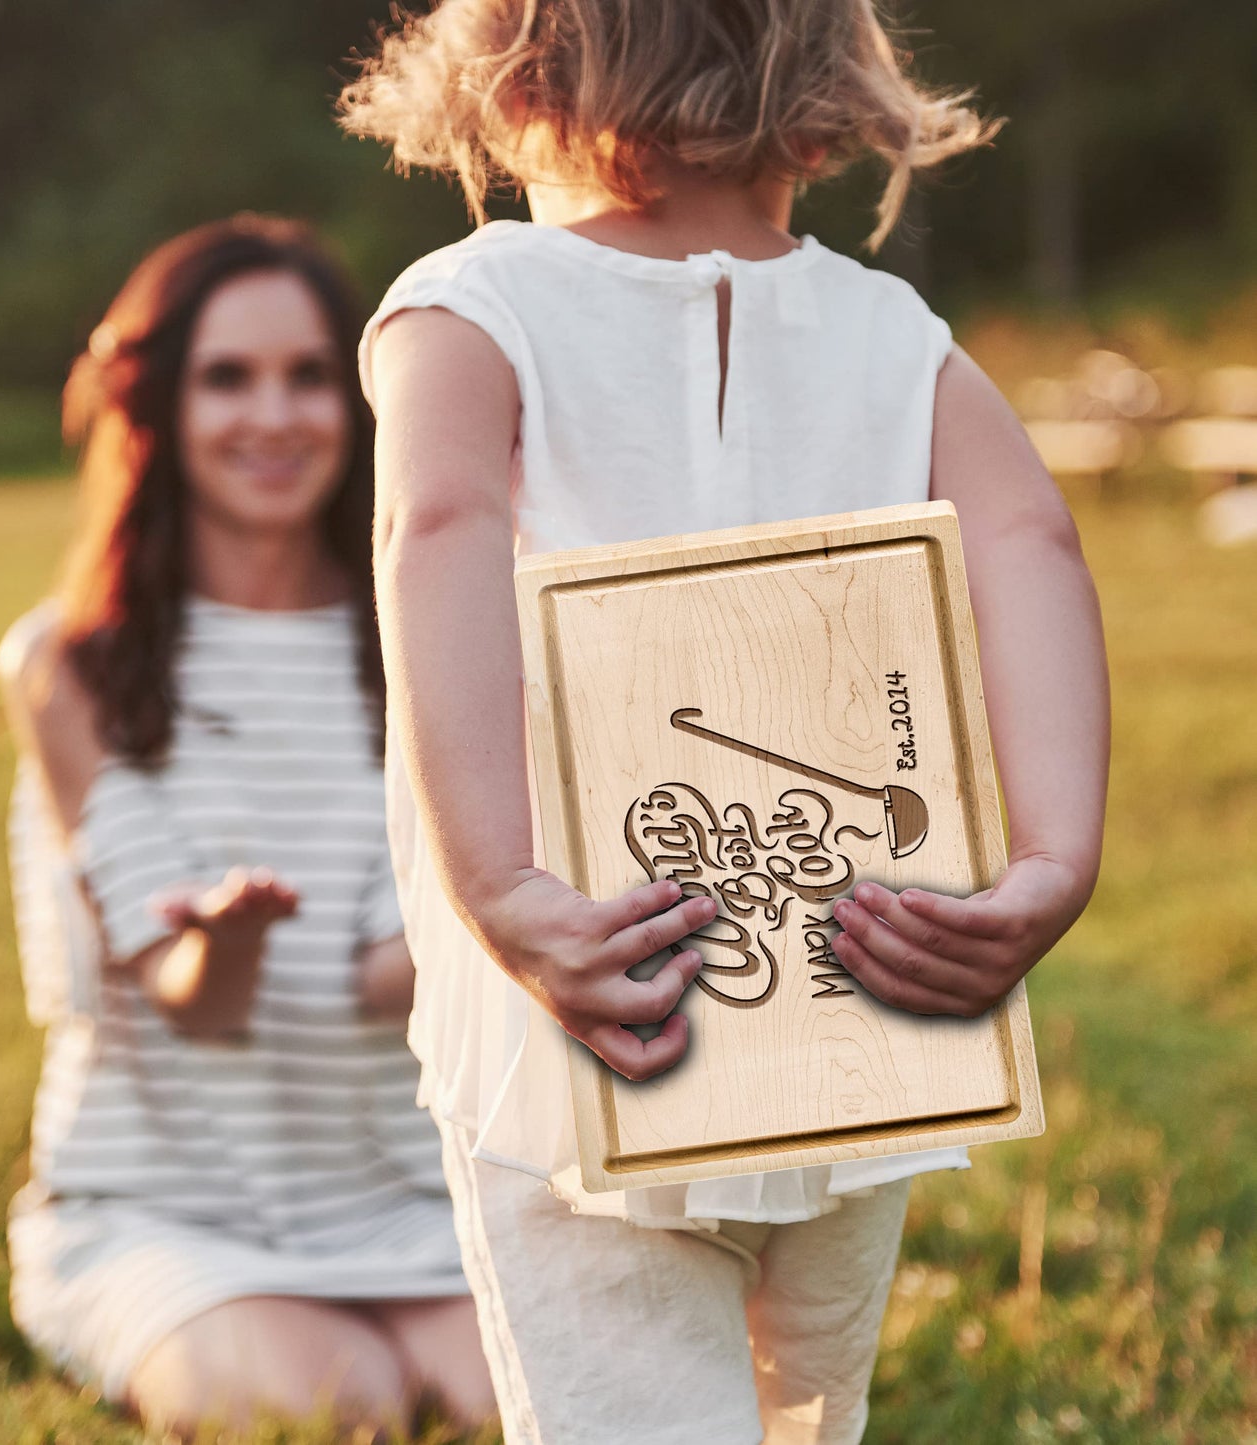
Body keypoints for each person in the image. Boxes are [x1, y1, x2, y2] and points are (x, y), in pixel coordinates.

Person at [339, 4, 1110, 1443]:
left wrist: (506, 887)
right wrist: (1050, 861)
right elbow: (1034, 547)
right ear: (829, 91)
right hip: (858, 992)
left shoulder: (472, 304)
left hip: (597, 990)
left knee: (628, 1404)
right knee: (815, 1408)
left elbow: (434, 530)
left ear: (514, 77)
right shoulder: (893, 332)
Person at [0, 214, 495, 1438]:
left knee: (520, 1402)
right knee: (342, 1405)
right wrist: (225, 935)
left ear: (360, 399)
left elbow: (393, 979)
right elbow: (193, 999)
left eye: (308, 375)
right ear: (159, 404)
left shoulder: (425, 639)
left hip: (407, 1198)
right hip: (165, 1208)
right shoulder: (69, 665)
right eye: (228, 377)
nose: (272, 416)